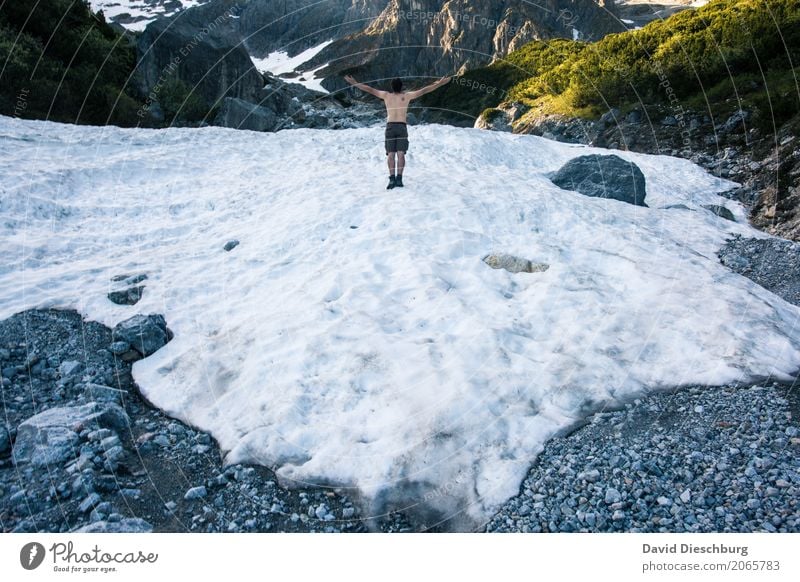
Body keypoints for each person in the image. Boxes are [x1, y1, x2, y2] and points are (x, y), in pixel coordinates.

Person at [344, 74, 451, 189]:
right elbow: (424, 90)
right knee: (400, 154)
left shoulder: (386, 95)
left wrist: (354, 82)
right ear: (401, 87)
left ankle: (392, 179)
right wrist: (440, 83)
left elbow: (369, 89)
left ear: (392, 87)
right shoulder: (406, 96)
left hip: (390, 127)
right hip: (401, 127)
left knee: (390, 155)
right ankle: (399, 179)